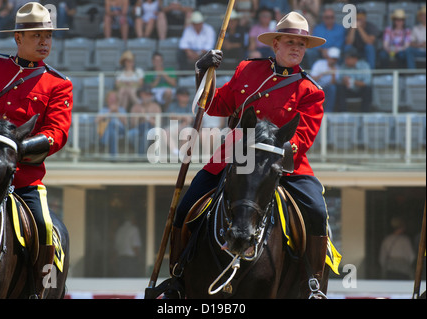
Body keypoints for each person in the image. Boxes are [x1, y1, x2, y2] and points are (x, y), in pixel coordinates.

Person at [169, 11, 329, 298]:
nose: (296, 48)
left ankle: (313, 283)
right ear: (275, 43)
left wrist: (268, 157)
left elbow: (302, 139)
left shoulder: (310, 91)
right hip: (233, 157)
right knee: (186, 207)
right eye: (290, 41)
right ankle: (177, 280)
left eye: (301, 44)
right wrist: (202, 73)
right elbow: (216, 105)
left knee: (317, 212)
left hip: (281, 164)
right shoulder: (248, 70)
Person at [0, 2, 72, 298]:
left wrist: (18, 149)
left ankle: (41, 291)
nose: (45, 42)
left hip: (23, 176)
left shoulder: (58, 84)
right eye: (37, 35)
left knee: (45, 228)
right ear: (18, 38)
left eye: (48, 36)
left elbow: (57, 134)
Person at [336, 47, 372, 112]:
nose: (345, 60)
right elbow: (338, 80)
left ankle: (365, 113)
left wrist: (353, 81)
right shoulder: (343, 66)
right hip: (348, 90)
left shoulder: (364, 65)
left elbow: (367, 82)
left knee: (368, 89)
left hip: (360, 90)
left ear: (355, 59)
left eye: (348, 58)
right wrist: (344, 81)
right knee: (339, 88)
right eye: (345, 59)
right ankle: (343, 112)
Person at [128, 86, 162, 154]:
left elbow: (158, 124)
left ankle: (140, 155)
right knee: (130, 134)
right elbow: (132, 124)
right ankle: (142, 151)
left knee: (147, 133)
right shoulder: (136, 107)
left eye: (149, 94)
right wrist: (138, 117)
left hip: (152, 128)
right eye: (145, 94)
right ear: (140, 95)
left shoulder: (156, 107)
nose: (147, 96)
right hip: (138, 128)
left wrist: (146, 117)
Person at [97, 91, 127, 158]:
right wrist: (109, 112)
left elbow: (125, 123)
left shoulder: (121, 109)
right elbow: (96, 120)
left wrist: (117, 112)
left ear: (117, 100)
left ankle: (103, 142)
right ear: (107, 100)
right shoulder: (103, 110)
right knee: (112, 132)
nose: (113, 100)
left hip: (120, 130)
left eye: (114, 98)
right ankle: (113, 156)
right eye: (111, 98)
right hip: (110, 131)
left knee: (111, 124)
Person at [311, 47, 340, 112]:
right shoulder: (319, 63)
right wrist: (323, 74)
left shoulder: (336, 68)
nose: (333, 60)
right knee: (313, 88)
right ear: (328, 57)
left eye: (335, 59)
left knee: (333, 88)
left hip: (327, 88)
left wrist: (333, 75)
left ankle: (328, 112)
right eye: (332, 58)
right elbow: (312, 79)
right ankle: (314, 111)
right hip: (317, 86)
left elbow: (333, 83)